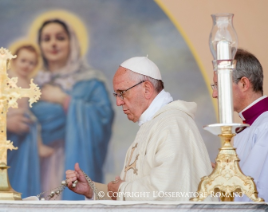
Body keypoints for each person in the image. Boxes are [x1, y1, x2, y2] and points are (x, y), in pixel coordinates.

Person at [65, 57, 212, 201]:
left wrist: (122, 190)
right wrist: (92, 190)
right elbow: (131, 195)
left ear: (147, 89)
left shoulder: (173, 124)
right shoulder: (152, 125)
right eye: (116, 94)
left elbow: (167, 191)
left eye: (122, 93)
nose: (118, 102)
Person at [30, 18, 114, 200]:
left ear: (72, 43)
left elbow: (103, 118)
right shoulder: (30, 84)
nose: (53, 43)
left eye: (60, 38)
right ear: (40, 46)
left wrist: (64, 100)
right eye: (46, 39)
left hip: (75, 157)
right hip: (39, 164)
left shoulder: (91, 82)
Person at [0, 41, 45, 198]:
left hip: (26, 132)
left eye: (32, 63)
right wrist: (7, 120)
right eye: (23, 60)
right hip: (9, 131)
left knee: (26, 165)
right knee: (14, 167)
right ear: (14, 61)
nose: (27, 65)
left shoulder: (29, 83)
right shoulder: (6, 79)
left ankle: (26, 194)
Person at [211, 49, 268, 202]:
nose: (214, 94)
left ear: (243, 84)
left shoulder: (265, 126)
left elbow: (257, 191)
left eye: (218, 85)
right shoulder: (247, 126)